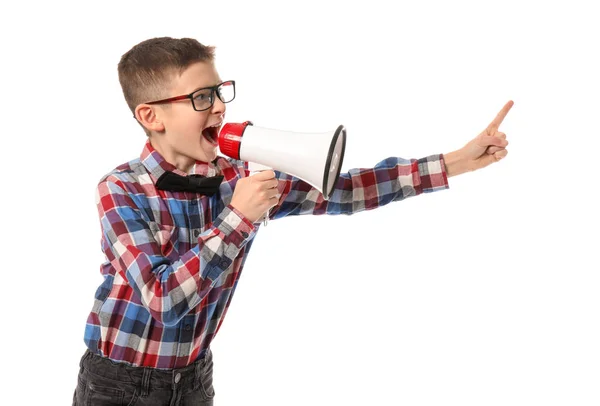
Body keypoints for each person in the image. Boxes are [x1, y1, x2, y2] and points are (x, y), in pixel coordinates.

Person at [72, 36, 512, 405]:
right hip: (119, 383)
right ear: (151, 116)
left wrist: (454, 163)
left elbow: (344, 190)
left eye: (219, 91)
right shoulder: (121, 188)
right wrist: (238, 217)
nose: (219, 109)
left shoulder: (237, 178)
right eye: (200, 99)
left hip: (194, 378)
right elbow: (164, 300)